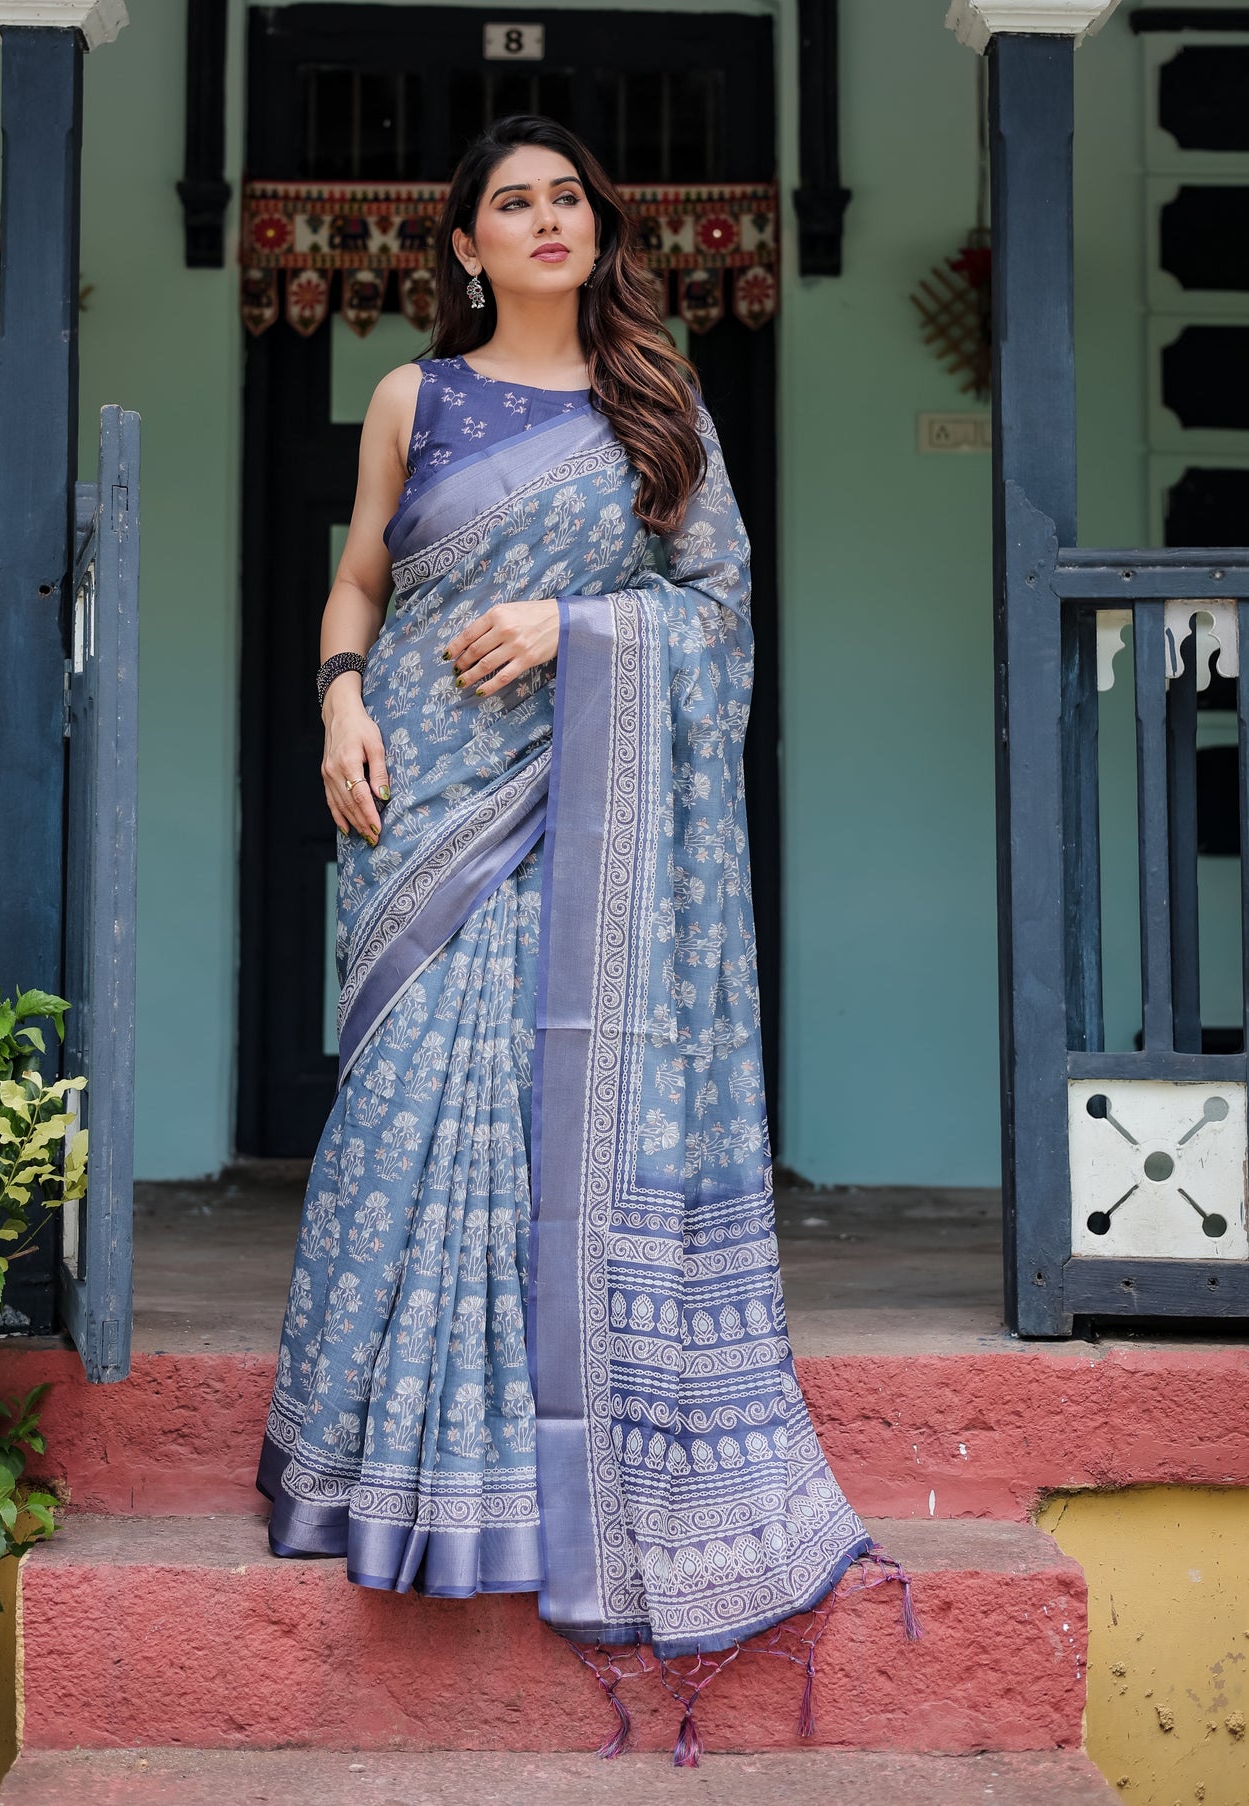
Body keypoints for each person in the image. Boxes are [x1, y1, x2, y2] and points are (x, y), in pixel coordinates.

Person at [258, 113, 908, 1756]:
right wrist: (336, 698)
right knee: (406, 1116)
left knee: (536, 1131)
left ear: (598, 231)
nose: (543, 221)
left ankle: (518, 1488)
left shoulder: (658, 398)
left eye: (567, 199)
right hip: (412, 796)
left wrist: (572, 621)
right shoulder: (416, 398)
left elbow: (714, 611)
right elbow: (353, 580)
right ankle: (373, 1472)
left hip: (575, 811)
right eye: (509, 204)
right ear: (462, 246)